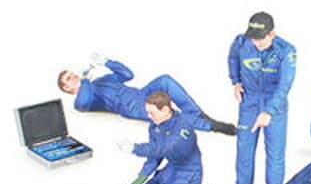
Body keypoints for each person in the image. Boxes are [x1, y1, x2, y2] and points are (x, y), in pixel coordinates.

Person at [223, 12, 296, 184]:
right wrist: (235, 81)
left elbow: (284, 86)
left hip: (275, 106)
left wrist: (269, 112)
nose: (256, 42)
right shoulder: (241, 42)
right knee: (244, 153)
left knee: (275, 158)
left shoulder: (286, 51)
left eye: (260, 38)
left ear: (272, 33)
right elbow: (232, 58)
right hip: (249, 102)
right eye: (253, 37)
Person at [57, 53, 236, 135]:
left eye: (72, 74)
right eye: (69, 78)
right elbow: (84, 101)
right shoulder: (80, 101)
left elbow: (127, 75)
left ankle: (197, 114)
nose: (74, 76)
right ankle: (212, 126)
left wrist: (108, 62)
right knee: (169, 115)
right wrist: (84, 81)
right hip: (131, 106)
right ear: (67, 88)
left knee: (165, 80)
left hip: (140, 92)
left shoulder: (101, 81)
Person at [116, 91, 211, 184]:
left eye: (152, 113)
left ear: (166, 110)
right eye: (147, 112)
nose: (149, 116)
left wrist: (135, 148)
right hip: (170, 170)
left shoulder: (183, 127)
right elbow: (154, 156)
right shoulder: (155, 126)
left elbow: (164, 149)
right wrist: (141, 179)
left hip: (187, 175)